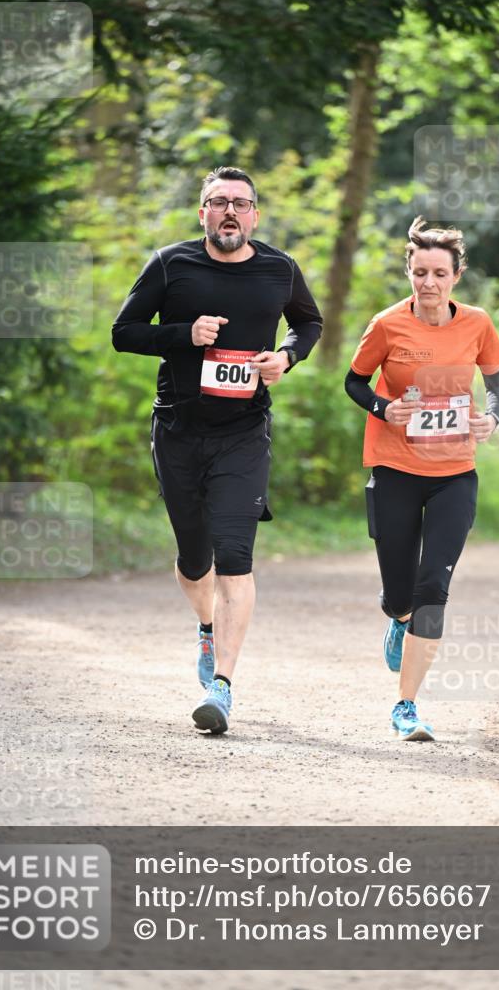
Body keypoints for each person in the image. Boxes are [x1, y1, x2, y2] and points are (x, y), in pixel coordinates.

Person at [112, 167, 322, 734]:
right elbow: (123, 332)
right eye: (218, 202)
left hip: (244, 433)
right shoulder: (170, 264)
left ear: (255, 214)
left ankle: (222, 687)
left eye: (241, 203)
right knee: (193, 558)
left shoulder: (281, 268)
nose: (230, 211)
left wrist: (287, 356)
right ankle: (206, 628)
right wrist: (183, 333)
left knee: (235, 556)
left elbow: (308, 321)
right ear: (202, 212)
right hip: (179, 429)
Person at [345, 216, 499, 741]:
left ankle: (406, 706)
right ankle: (396, 616)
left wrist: (492, 417)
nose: (429, 283)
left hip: (455, 473)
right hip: (395, 469)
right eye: (420, 273)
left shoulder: (478, 324)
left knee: (433, 587)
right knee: (401, 595)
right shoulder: (388, 324)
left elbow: (498, 386)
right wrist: (382, 407)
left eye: (439, 273)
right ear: (409, 272)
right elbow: (354, 381)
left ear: (456, 275)